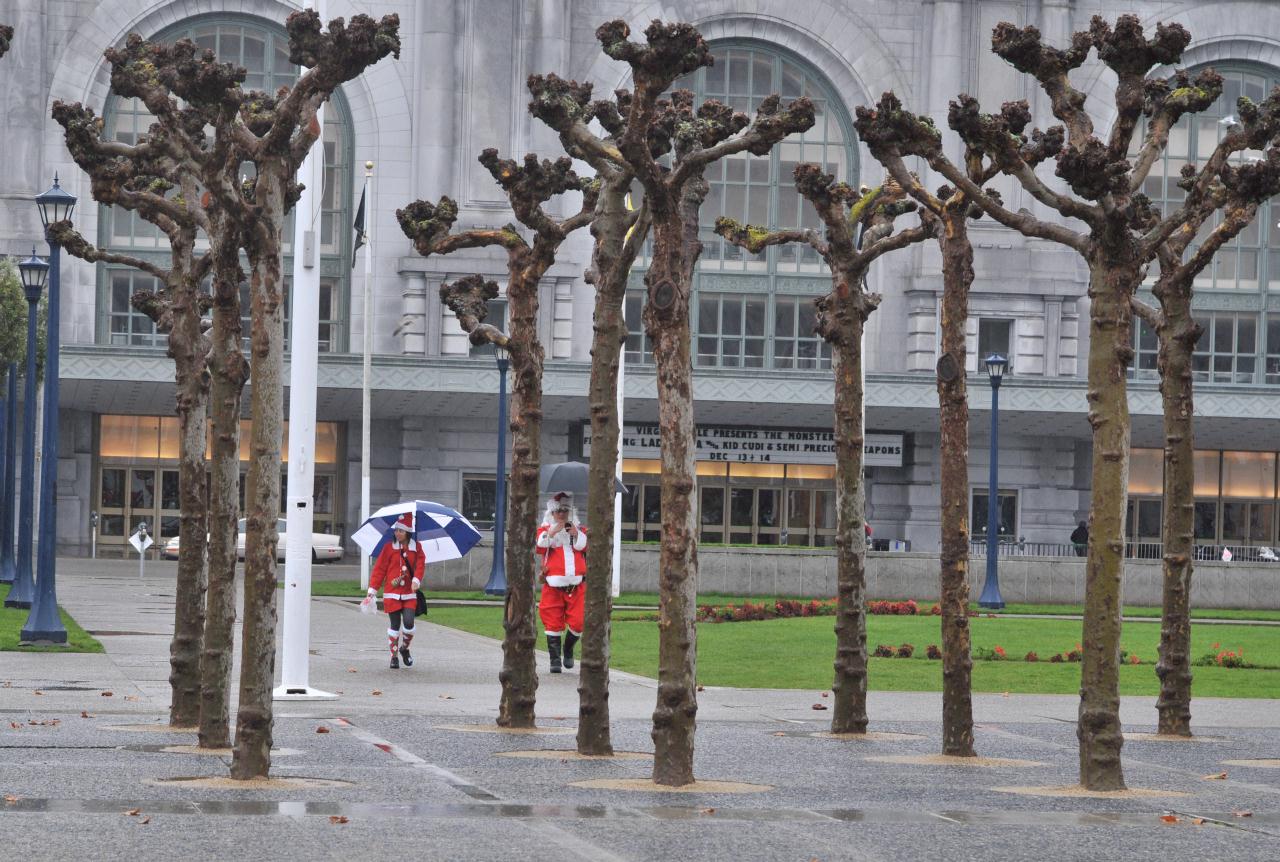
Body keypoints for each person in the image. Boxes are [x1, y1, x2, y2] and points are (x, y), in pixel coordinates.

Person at [535, 492, 586, 673]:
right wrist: (550, 533)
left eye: (565, 511)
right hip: (553, 587)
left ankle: (568, 648)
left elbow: (584, 546)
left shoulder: (579, 530)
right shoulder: (545, 531)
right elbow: (540, 547)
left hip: (576, 586)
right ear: (551, 514)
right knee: (552, 622)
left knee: (579, 622)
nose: (561, 515)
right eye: (558, 511)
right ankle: (554, 660)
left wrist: (576, 533)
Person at [368, 513, 426, 669]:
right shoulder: (388, 548)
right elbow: (379, 569)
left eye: (401, 530)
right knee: (394, 625)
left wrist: (416, 580)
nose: (397, 533)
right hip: (391, 593)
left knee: (408, 622)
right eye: (396, 530)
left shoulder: (417, 547)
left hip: (409, 592)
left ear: (408, 532)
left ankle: (404, 648)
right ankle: (393, 657)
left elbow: (420, 565)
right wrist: (372, 590)